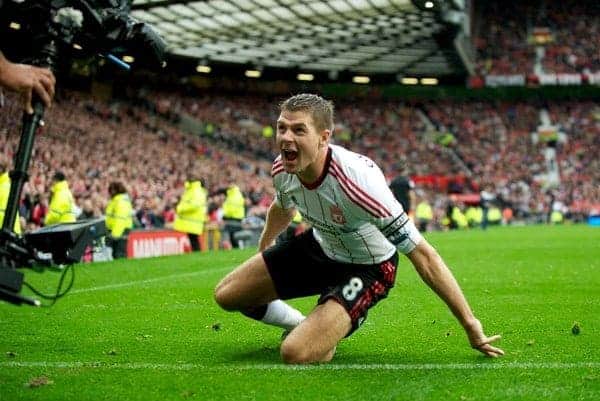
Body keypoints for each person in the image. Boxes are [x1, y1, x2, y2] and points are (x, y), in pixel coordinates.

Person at [214, 94, 503, 364]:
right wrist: (267, 242)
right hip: (320, 246)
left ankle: (336, 322)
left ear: (323, 138)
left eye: (299, 130)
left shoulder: (358, 185)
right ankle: (301, 323)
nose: (286, 138)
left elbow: (425, 256)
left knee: (295, 352)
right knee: (228, 295)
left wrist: (470, 323)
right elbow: (283, 205)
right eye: (282, 128)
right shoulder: (283, 168)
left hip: (368, 267)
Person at [173, 175, 207, 252]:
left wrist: (179, 209)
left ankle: (198, 256)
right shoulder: (193, 190)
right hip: (192, 221)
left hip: (192, 221)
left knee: (194, 240)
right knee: (193, 239)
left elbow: (194, 205)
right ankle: (197, 255)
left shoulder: (195, 191)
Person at [105, 181, 133, 259]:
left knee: (119, 254)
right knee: (117, 253)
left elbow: (120, 219)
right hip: (118, 230)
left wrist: (114, 235)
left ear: (114, 190)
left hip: (119, 230)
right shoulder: (118, 200)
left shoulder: (120, 201)